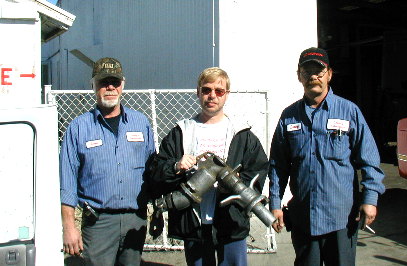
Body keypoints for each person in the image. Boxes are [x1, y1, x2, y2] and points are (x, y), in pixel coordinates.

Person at [269, 47, 385, 266]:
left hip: (341, 218)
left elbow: (369, 160)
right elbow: (278, 165)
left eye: (319, 71)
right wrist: (275, 203)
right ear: (299, 76)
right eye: (307, 71)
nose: (313, 76)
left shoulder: (349, 111)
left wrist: (370, 199)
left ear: (329, 74)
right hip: (304, 218)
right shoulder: (289, 116)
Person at [149, 67, 269, 266]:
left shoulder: (242, 134)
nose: (212, 95)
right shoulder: (181, 132)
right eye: (206, 90)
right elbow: (157, 171)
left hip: (231, 223)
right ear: (198, 92)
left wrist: (234, 186)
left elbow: (258, 170)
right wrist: (177, 166)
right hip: (194, 224)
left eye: (219, 91)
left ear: (226, 95)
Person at [59, 57, 156, 266]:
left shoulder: (141, 123)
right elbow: (67, 182)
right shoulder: (78, 128)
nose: (110, 87)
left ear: (123, 84)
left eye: (115, 82)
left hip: (135, 220)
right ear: (93, 85)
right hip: (98, 224)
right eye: (103, 82)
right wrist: (69, 227)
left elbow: (153, 169)